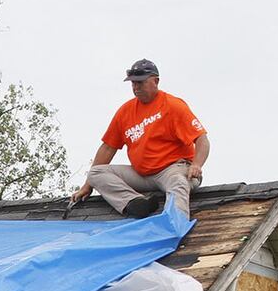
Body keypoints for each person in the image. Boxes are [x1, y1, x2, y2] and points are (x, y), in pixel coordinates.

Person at [71, 59, 209, 218]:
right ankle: (135, 203)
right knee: (95, 173)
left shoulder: (173, 106)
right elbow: (108, 148)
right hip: (142, 175)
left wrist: (197, 164)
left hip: (173, 169)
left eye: (140, 83)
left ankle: (175, 225)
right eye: (133, 84)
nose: (136, 87)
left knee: (178, 182)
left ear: (155, 81)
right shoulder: (125, 111)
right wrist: (88, 185)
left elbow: (202, 139)